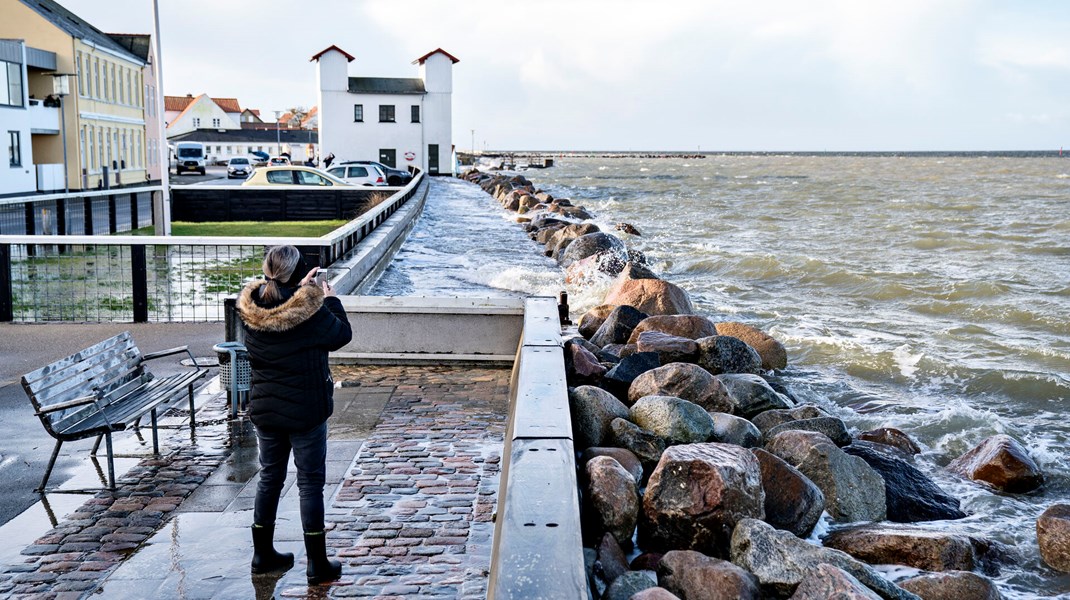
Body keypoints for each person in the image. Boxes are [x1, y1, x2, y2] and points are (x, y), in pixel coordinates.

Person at [237, 245, 352, 584]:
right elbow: (341, 335)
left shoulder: (251, 309)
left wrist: (300, 289)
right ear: (299, 271)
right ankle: (317, 564)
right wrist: (327, 298)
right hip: (306, 410)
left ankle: (262, 555)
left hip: (266, 410)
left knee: (270, 477)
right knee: (309, 483)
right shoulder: (311, 310)